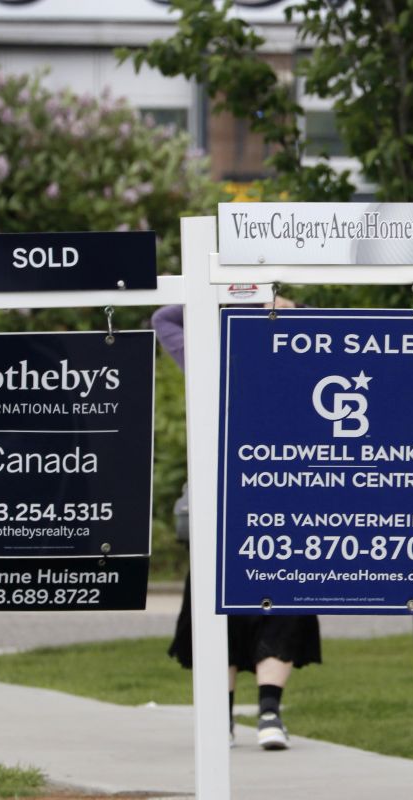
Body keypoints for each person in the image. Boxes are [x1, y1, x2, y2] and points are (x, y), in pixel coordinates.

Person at [153, 303, 321, 750]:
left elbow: (165, 319)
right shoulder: (217, 358)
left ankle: (262, 714)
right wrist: (242, 299)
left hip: (269, 503)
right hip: (245, 504)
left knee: (271, 602)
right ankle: (238, 718)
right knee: (235, 605)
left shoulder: (298, 358)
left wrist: (278, 306)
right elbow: (164, 317)